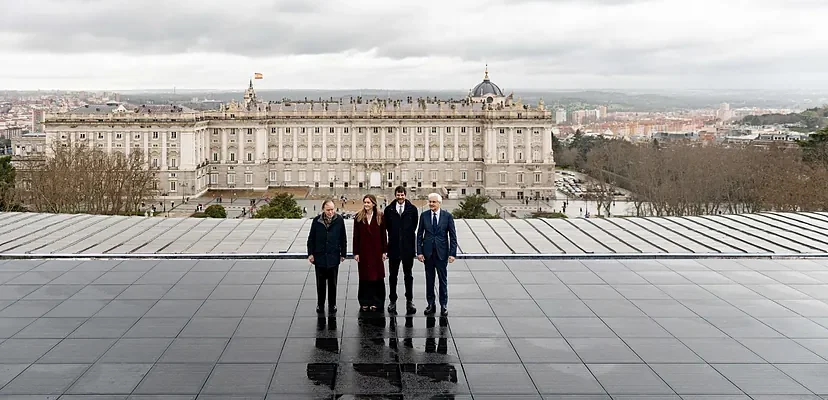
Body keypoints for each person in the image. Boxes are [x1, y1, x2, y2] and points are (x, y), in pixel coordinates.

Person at [416, 193, 457, 316]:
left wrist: (452, 253)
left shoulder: (447, 216)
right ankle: (430, 304)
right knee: (429, 280)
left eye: (433, 202)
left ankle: (443, 305)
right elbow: (419, 235)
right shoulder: (424, 216)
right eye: (430, 202)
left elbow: (453, 236)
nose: (431, 204)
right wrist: (419, 252)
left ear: (439, 203)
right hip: (428, 253)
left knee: (442, 280)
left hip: (442, 253)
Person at [307, 199, 347, 315]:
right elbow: (311, 238)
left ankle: (332, 304)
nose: (331, 212)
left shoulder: (339, 220)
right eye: (328, 210)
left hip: (333, 256)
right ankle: (320, 304)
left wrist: (343, 253)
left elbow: (343, 237)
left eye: (332, 209)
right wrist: (310, 253)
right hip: (320, 257)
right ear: (323, 210)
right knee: (320, 284)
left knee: (333, 283)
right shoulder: (317, 221)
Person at [383, 186, 418, 315]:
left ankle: (410, 300)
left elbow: (414, 226)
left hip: (408, 249)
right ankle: (392, 301)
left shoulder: (412, 210)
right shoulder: (389, 210)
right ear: (395, 195)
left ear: (405, 195)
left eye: (402, 195)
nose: (400, 197)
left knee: (408, 276)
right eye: (398, 195)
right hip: (393, 248)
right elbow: (387, 227)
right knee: (393, 276)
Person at [353, 194, 388, 312]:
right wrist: (356, 252)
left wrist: (384, 251)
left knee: (377, 278)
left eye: (368, 202)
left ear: (373, 203)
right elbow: (355, 236)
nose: (366, 205)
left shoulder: (380, 216)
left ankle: (377, 301)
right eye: (365, 202)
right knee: (364, 278)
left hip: (376, 251)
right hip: (363, 251)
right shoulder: (358, 217)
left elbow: (384, 235)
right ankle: (364, 301)